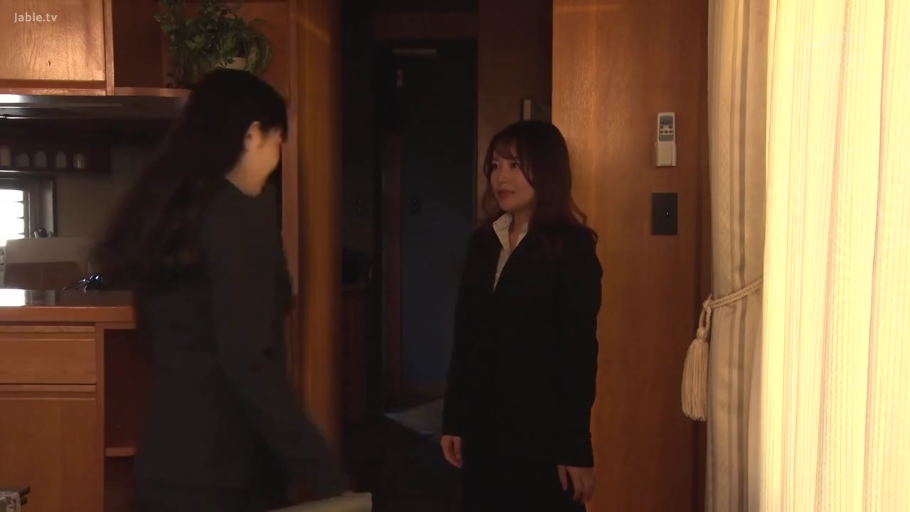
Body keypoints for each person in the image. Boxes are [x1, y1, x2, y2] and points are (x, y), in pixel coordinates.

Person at [90, 69, 350, 511]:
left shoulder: (168, 215)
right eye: (277, 141)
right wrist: (326, 474)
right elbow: (249, 363)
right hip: (225, 468)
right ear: (252, 135)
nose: (278, 157)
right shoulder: (236, 218)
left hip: (167, 459)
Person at [440, 120, 603, 511]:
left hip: (539, 433)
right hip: (483, 426)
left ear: (545, 170)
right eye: (496, 165)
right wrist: (454, 419)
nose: (502, 177)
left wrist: (575, 447)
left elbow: (578, 354)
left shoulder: (572, 248)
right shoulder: (483, 242)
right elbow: (466, 337)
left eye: (515, 165)